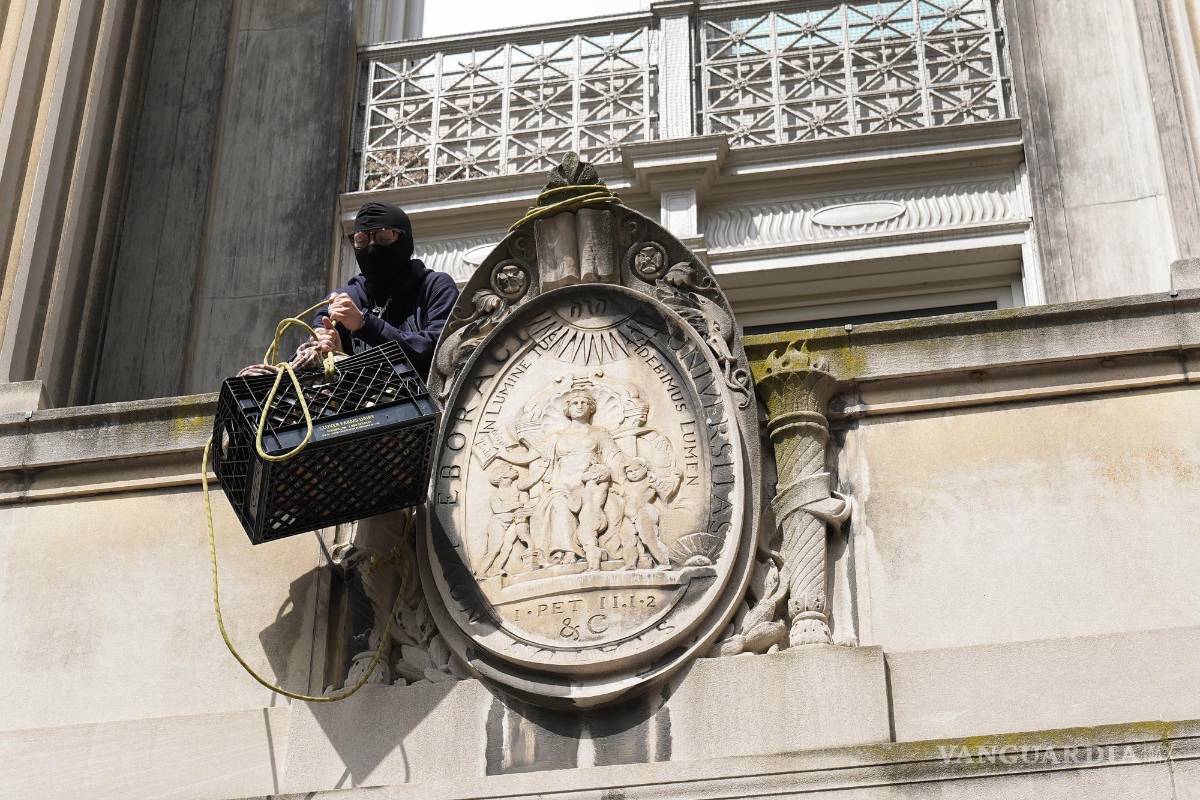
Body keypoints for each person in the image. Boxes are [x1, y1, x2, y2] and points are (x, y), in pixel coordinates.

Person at [239, 201, 458, 378]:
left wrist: (365, 325)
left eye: (383, 238)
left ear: (404, 238)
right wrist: (328, 348)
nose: (372, 248)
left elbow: (441, 353)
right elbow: (319, 368)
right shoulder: (341, 301)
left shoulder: (434, 287)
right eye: (361, 241)